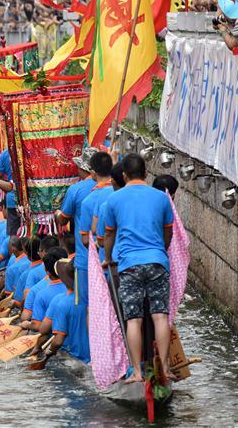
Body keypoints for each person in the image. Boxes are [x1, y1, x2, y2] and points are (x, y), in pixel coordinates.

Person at [101, 154, 175, 384]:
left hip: (129, 266)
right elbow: (168, 232)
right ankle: (164, 367)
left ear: (123, 176)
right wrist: (160, 251)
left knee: (134, 320)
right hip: (157, 262)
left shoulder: (113, 200)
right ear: (146, 173)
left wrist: (107, 257)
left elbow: (109, 234)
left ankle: (137, 372)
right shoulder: (161, 198)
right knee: (160, 316)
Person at [73, 151, 115, 305]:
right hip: (123, 262)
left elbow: (85, 239)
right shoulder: (121, 193)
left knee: (92, 308)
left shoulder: (89, 200)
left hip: (94, 264)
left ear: (92, 173)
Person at [55, 147, 98, 232]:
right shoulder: (110, 186)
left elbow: (63, 220)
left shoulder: (75, 189)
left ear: (82, 168)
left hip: (83, 242)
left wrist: (57, 213)